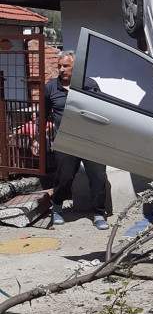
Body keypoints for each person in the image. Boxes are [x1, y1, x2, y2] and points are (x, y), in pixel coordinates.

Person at [43, 51, 109, 230]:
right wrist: (36, 139)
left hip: (91, 140)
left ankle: (99, 213)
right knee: (64, 178)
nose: (61, 69)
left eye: (66, 66)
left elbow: (102, 109)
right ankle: (56, 208)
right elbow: (42, 115)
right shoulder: (50, 88)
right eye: (59, 66)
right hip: (66, 141)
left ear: (75, 67)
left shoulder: (90, 85)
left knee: (97, 177)